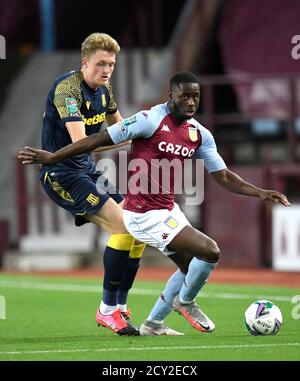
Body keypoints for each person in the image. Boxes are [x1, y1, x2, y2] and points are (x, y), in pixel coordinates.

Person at [19, 71, 290, 336]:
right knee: (210, 251)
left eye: (196, 97)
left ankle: (154, 323)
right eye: (185, 97)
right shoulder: (149, 119)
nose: (191, 103)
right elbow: (97, 139)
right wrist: (54, 157)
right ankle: (182, 302)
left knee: (190, 268)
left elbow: (224, 176)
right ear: (171, 96)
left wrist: (260, 192)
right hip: (142, 214)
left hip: (168, 209)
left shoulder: (199, 134)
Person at [24, 32, 147, 336]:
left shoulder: (105, 90)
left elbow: (122, 130)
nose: (107, 70)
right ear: (85, 63)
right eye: (101, 64)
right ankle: (106, 310)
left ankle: (119, 307)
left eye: (112, 65)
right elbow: (81, 142)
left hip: (86, 168)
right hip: (61, 173)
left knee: (140, 227)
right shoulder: (67, 89)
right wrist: (120, 138)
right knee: (122, 225)